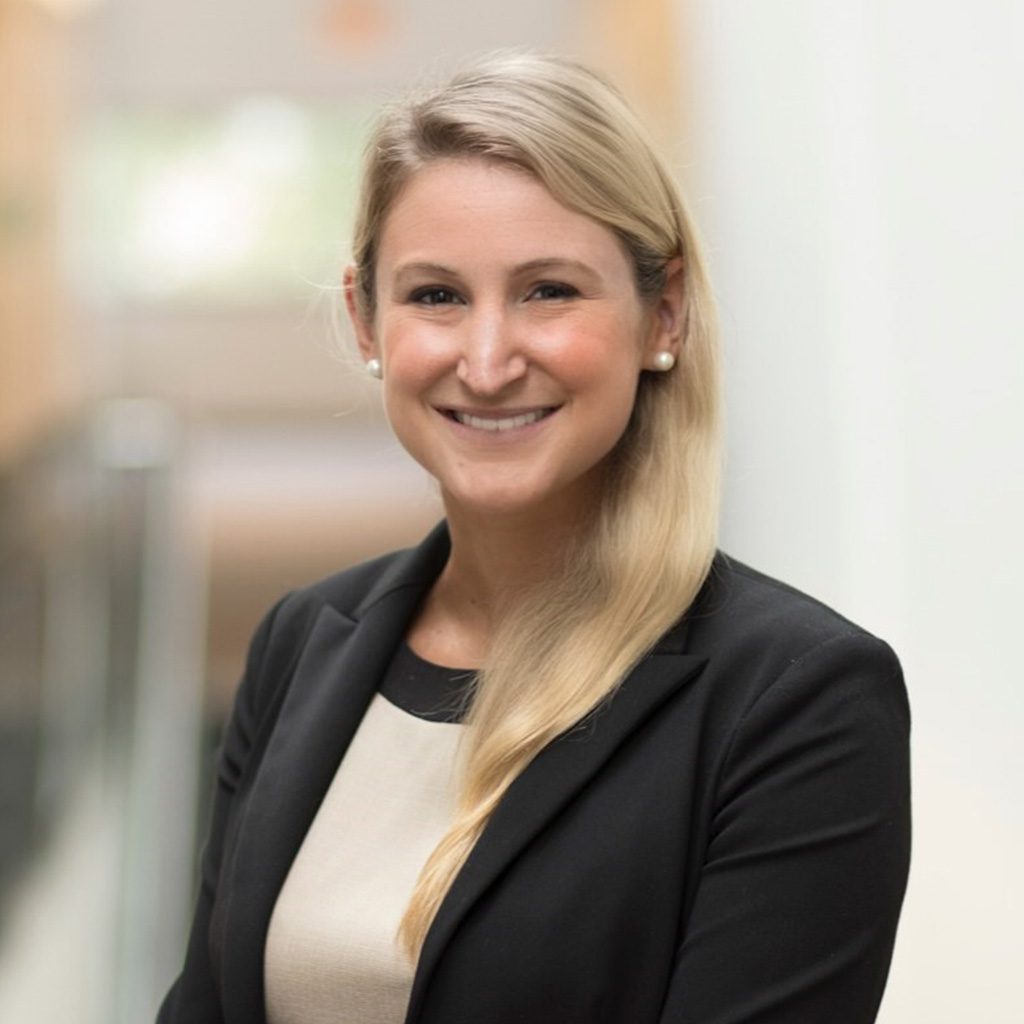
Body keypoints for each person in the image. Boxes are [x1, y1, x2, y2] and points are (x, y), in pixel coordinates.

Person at [157, 51, 910, 1024]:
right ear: (365, 318)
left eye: (548, 290)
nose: (486, 358)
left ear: (662, 313)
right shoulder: (305, 640)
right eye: (435, 295)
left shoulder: (796, 698)